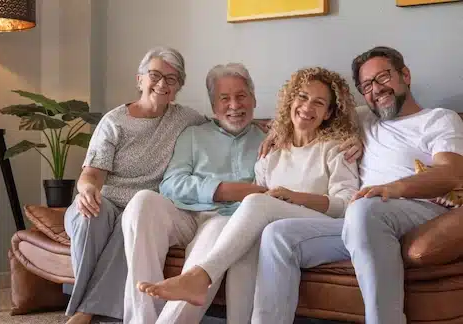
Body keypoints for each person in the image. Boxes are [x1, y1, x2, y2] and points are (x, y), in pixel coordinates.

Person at [249, 46, 463, 324]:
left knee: (364, 209)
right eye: (367, 85)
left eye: (383, 77)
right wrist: (277, 134)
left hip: (419, 212)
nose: (376, 89)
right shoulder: (362, 118)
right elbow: (304, 115)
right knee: (278, 235)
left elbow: (451, 174)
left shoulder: (438, 119)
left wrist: (393, 188)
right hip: (364, 219)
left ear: (405, 75)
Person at [138, 67, 362, 322]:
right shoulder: (271, 151)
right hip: (276, 232)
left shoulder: (337, 148)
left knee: (256, 202)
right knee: (247, 243)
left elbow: (346, 206)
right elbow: (255, 213)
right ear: (291, 101)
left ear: (329, 112)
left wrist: (297, 197)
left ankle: (201, 276)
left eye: (318, 102)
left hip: (320, 228)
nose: (307, 107)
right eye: (302, 97)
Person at [63, 46, 207, 324]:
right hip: (103, 202)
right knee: (90, 215)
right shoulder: (114, 122)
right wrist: (87, 190)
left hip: (139, 209)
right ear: (139, 79)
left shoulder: (186, 120)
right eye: (154, 75)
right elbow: (91, 175)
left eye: (171, 79)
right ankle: (88, 310)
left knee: (130, 224)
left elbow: (223, 128)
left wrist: (269, 132)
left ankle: (84, 313)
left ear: (178, 87)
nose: (162, 84)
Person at [122, 63, 267, 324]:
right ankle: (140, 319)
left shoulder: (269, 139)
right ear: (213, 106)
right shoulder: (193, 135)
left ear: (254, 99)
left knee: (217, 230)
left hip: (228, 221)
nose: (234, 105)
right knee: (142, 201)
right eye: (225, 98)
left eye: (241, 96)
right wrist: (220, 190)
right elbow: (171, 184)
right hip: (185, 214)